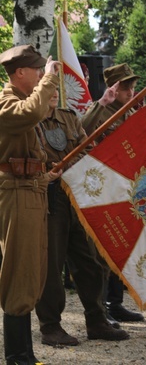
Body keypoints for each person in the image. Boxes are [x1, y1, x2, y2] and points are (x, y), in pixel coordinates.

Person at [35, 88, 130, 346]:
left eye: (56, 88)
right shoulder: (28, 120)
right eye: (48, 86)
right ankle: (50, 327)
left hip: (76, 196)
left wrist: (69, 163)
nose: (53, 93)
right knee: (51, 267)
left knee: (90, 261)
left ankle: (97, 320)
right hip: (47, 199)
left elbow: (86, 148)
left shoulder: (69, 117)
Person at [0, 44, 60, 365]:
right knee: (19, 275)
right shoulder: (6, 102)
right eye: (36, 69)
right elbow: (33, 113)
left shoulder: (22, 100)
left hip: (30, 189)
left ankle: (26, 354)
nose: (41, 74)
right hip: (15, 194)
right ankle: (17, 357)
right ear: (19, 72)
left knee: (33, 272)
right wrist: (48, 82)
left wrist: (44, 176)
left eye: (42, 69)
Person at [82, 63, 144, 323]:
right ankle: (103, 307)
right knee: (104, 248)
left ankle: (115, 303)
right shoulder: (99, 110)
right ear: (113, 88)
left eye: (132, 85)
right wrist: (101, 104)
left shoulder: (133, 110)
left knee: (123, 245)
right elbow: (82, 131)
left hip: (128, 187)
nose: (131, 90)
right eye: (125, 86)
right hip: (104, 187)